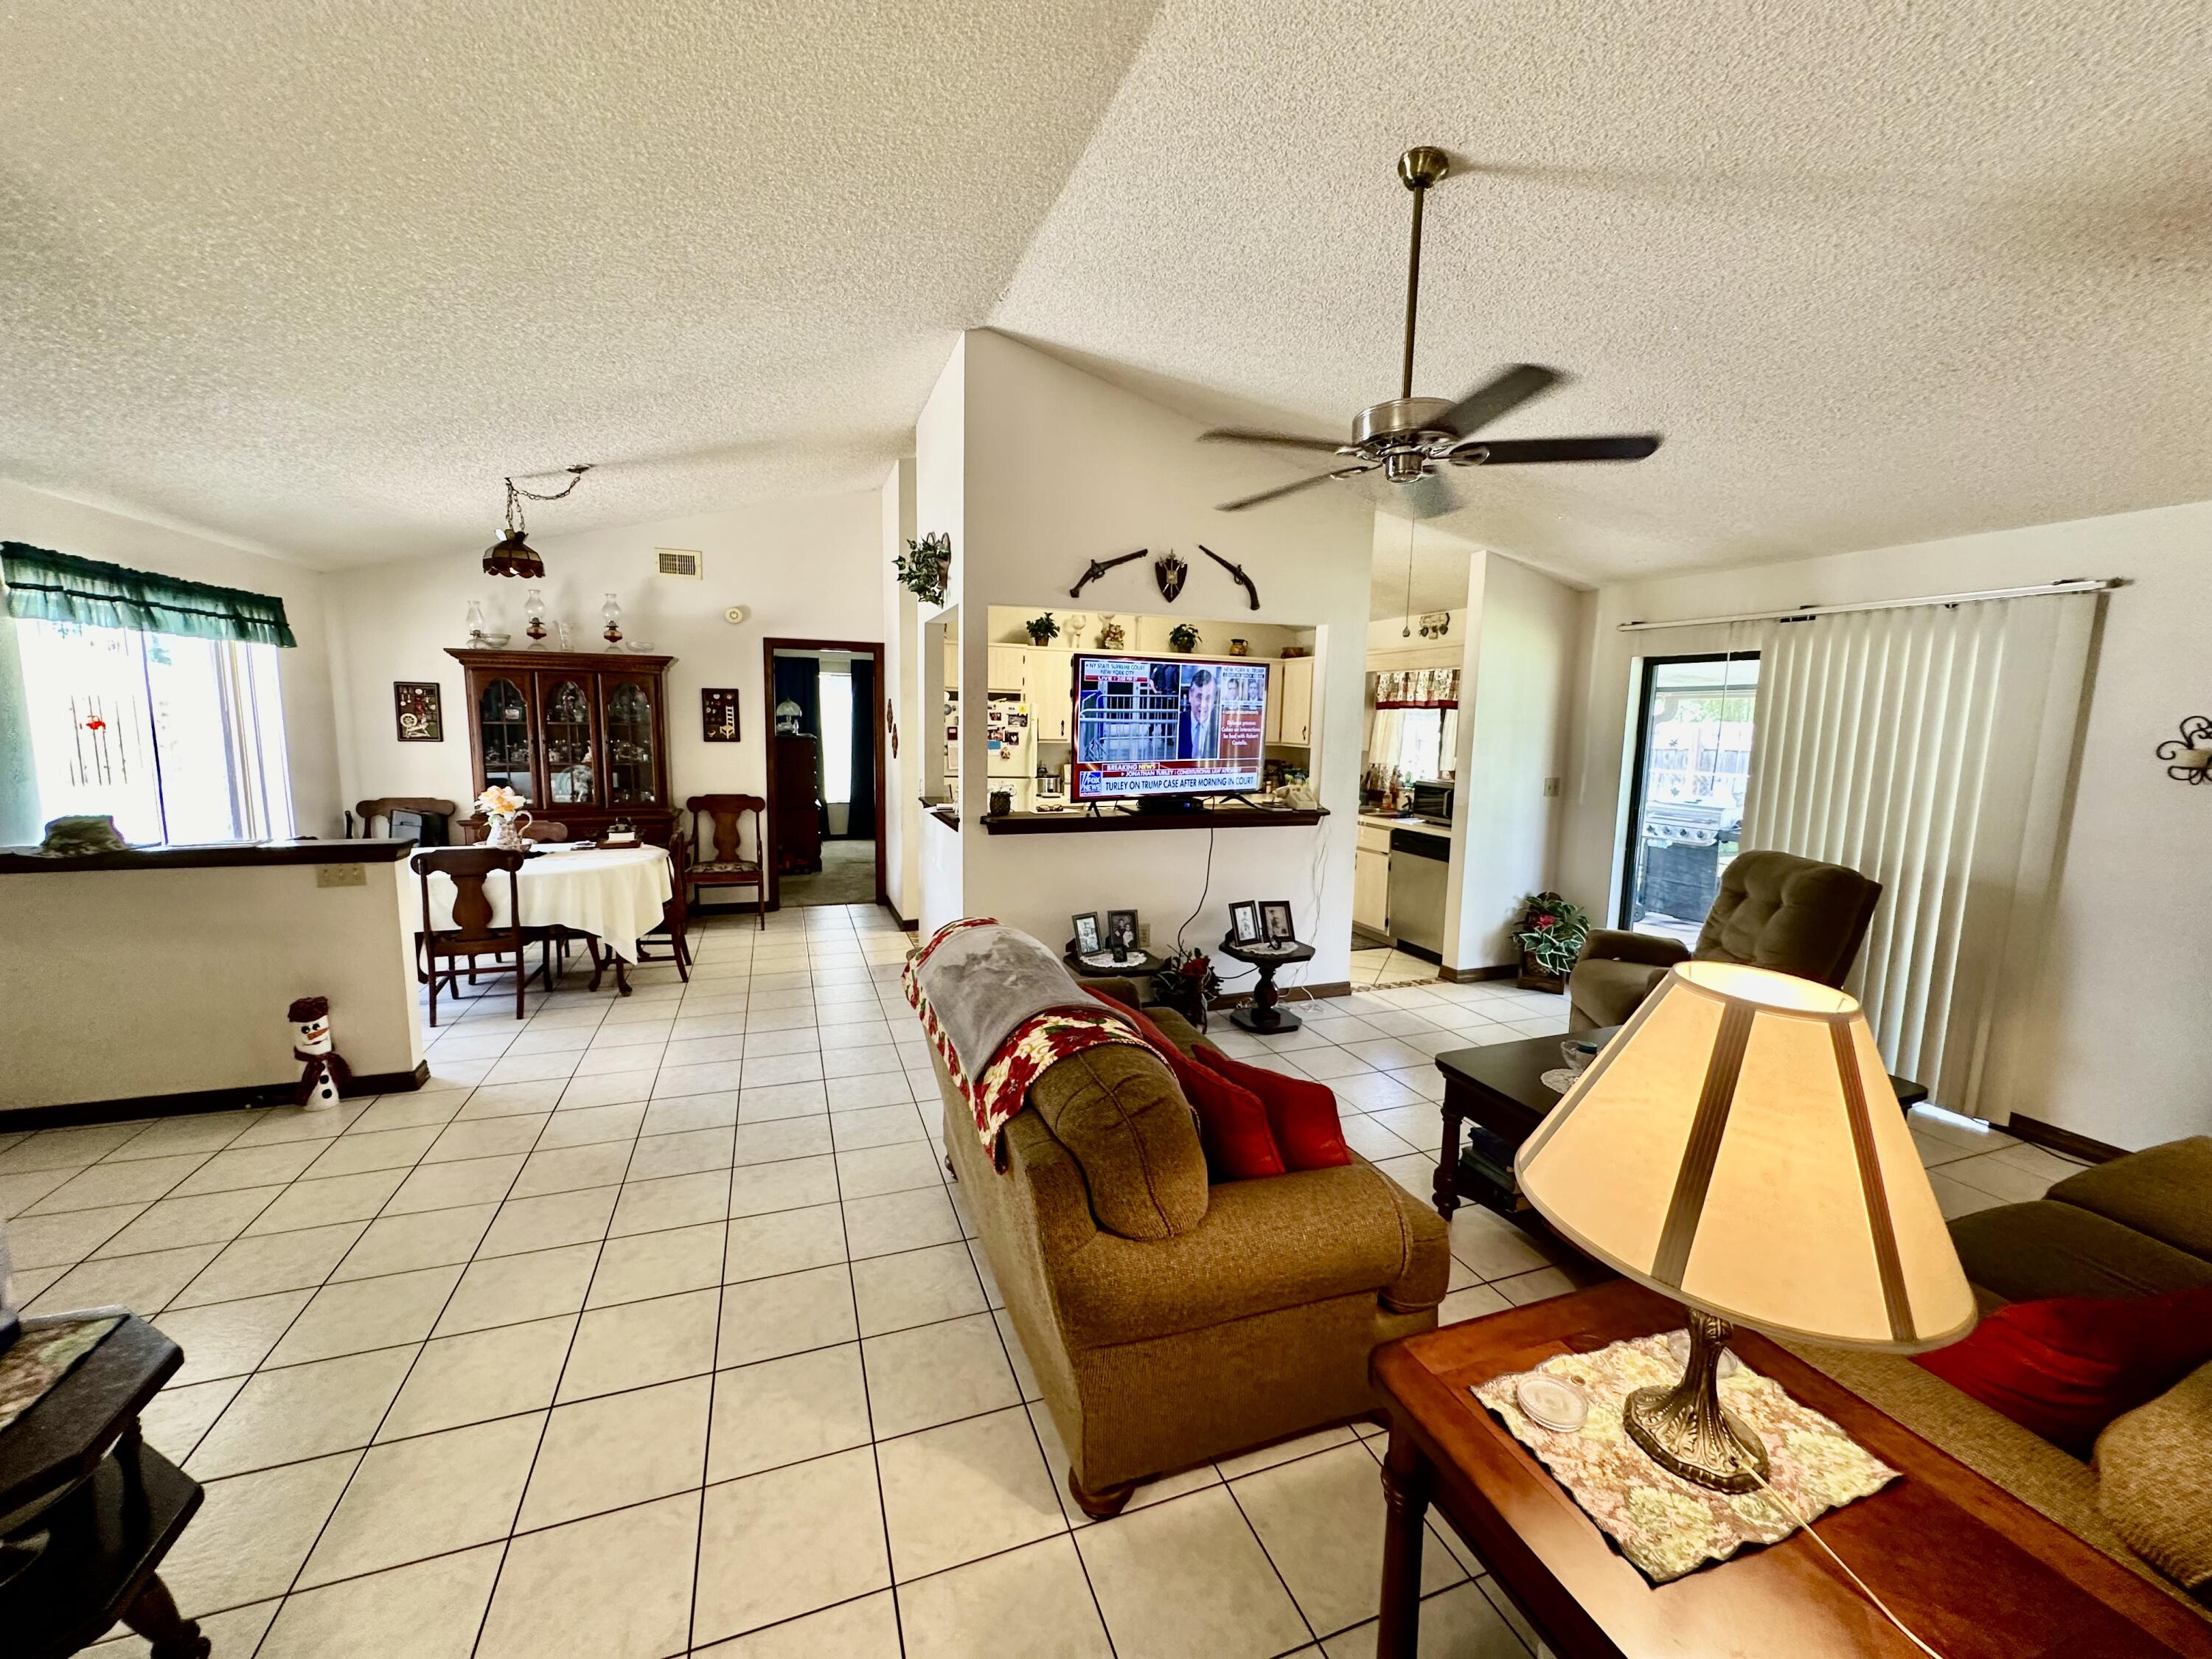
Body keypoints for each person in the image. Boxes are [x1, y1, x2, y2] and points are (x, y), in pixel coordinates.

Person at [1178, 667, 1220, 759]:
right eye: (1199, 697)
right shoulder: (1178, 722)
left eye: (1208, 698)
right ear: (1190, 695)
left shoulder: (1222, 725)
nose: (1203, 705)